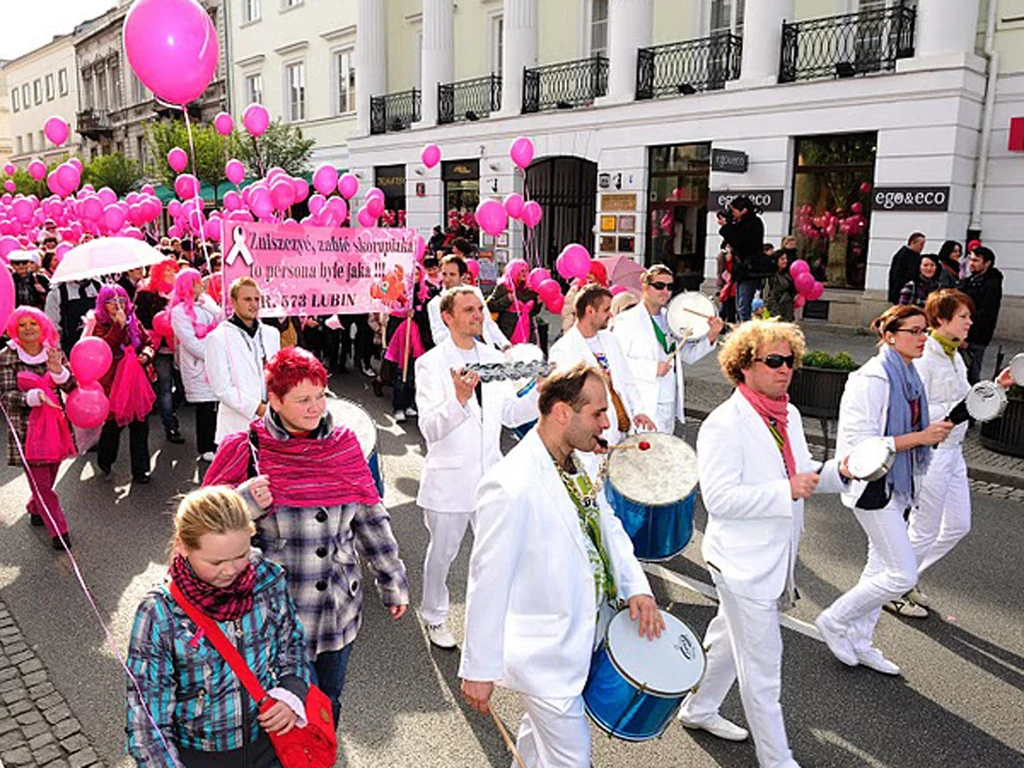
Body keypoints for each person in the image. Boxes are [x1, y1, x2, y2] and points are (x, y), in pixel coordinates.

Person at [459, 362, 663, 767]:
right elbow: (488, 582)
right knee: (573, 759)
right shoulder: (509, 484)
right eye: (598, 413)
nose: (607, 423)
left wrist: (636, 585)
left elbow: (608, 527)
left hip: (580, 639)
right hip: (544, 655)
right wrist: (478, 668)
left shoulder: (578, 461)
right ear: (562, 413)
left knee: (535, 749)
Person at [203, 347, 410, 722]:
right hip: (273, 619)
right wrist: (244, 501)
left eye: (320, 396)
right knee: (282, 714)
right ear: (276, 401)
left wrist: (392, 579)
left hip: (337, 613)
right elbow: (200, 526)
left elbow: (370, 519)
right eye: (302, 399)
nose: (315, 408)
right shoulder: (246, 450)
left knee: (327, 705)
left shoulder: (345, 444)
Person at [678, 318, 851, 766]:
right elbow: (719, 499)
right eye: (773, 360)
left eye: (790, 360)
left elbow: (802, 470)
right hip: (741, 564)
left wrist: (843, 472)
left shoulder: (787, 412)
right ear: (743, 366)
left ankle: (698, 709)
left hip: (773, 556)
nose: (785, 368)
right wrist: (786, 491)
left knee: (729, 640)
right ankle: (777, 759)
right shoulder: (723, 424)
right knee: (762, 668)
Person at [125, 486, 312, 765]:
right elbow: (147, 718)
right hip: (200, 758)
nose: (230, 570)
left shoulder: (267, 578)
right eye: (215, 561)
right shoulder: (159, 613)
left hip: (270, 748)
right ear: (182, 547)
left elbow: (292, 643)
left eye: (240, 555)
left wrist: (291, 692)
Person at [816, 306, 954, 674]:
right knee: (902, 575)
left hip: (899, 483)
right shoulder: (873, 378)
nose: (923, 337)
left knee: (878, 568)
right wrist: (920, 438)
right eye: (915, 331)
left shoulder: (909, 375)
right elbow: (862, 443)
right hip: (873, 483)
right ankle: (834, 619)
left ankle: (861, 642)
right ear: (890, 335)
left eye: (925, 331)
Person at [415, 286, 538, 649]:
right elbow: (430, 429)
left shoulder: (494, 358)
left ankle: (488, 622)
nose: (477, 315)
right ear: (448, 317)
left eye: (479, 309)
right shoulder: (430, 364)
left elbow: (511, 415)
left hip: (491, 477)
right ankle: (435, 615)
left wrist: (538, 393)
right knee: (442, 554)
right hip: (449, 480)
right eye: (468, 309)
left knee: (493, 554)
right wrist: (459, 399)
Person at [0, 307, 77, 550]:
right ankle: (59, 530)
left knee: (49, 477)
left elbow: (72, 387)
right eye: (22, 325)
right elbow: (5, 395)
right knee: (41, 481)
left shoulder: (53, 351)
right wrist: (31, 397)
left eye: (32, 323)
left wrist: (58, 371)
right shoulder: (7, 355)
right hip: (25, 429)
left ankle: (35, 507)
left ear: (42, 325)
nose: (28, 328)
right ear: (15, 329)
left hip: (55, 426)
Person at [613, 264, 723, 434]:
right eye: (659, 285)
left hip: (668, 400)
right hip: (643, 401)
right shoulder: (626, 321)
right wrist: (651, 368)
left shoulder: (671, 319)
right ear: (645, 286)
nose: (665, 291)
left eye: (670, 287)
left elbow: (687, 355)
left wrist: (711, 335)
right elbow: (617, 363)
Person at [549, 284, 655, 448]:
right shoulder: (563, 350)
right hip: (592, 441)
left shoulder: (610, 339)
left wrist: (638, 411)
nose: (611, 314)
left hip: (621, 430)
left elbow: (627, 380)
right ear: (590, 311)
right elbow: (567, 402)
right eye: (606, 310)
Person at [91, 285, 155, 484]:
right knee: (114, 424)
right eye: (111, 302)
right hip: (113, 380)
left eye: (121, 300)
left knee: (140, 423)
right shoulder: (99, 324)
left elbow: (148, 342)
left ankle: (141, 470)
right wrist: (118, 327)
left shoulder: (133, 320)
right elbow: (104, 348)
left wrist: (146, 354)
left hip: (137, 379)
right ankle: (105, 459)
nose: (117, 305)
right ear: (103, 304)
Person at [205, 277, 281, 446]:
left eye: (256, 299)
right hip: (236, 427)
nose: (253, 304)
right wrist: (258, 408)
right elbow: (222, 388)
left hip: (272, 427)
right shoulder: (217, 338)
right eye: (247, 299)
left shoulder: (271, 333)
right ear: (233, 302)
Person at [170, 268, 223, 461]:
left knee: (217, 404)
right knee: (205, 406)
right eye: (197, 282)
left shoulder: (207, 302)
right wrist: (212, 353)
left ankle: (218, 442)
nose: (202, 284)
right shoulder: (178, 312)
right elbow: (189, 340)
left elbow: (221, 320)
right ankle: (205, 446)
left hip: (215, 360)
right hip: (198, 364)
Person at [135, 259, 185, 444]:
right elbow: (140, 322)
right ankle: (170, 426)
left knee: (183, 388)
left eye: (174, 271)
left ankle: (168, 410)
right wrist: (158, 328)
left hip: (181, 347)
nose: (171, 274)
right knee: (165, 388)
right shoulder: (146, 295)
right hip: (159, 350)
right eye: (166, 271)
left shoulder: (182, 294)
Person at [427, 255, 508, 349]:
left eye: (452, 274)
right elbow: (438, 337)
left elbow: (488, 323)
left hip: (485, 350)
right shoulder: (435, 303)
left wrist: (504, 344)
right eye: (444, 274)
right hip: (457, 355)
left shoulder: (475, 292)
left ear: (462, 276)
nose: (447, 279)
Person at [717, 196, 768, 322]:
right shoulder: (741, 224)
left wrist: (727, 227)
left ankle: (747, 334)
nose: (732, 213)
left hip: (749, 270)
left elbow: (739, 242)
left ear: (743, 210)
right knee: (739, 306)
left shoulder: (752, 224)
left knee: (744, 307)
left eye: (734, 210)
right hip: (741, 271)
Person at [958, 245, 1003, 383]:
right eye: (971, 260)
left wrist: (967, 337)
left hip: (976, 336)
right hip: (964, 333)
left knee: (972, 372)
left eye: (976, 260)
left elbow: (986, 313)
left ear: (987, 263)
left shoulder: (991, 284)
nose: (972, 263)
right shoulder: (971, 280)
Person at [487, 259, 541, 344]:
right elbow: (490, 306)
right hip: (508, 331)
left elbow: (533, 312)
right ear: (514, 271)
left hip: (526, 332)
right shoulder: (503, 287)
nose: (524, 273)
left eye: (526, 271)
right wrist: (507, 299)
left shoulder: (530, 289)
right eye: (522, 271)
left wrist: (538, 303)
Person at [45, 277, 101, 356]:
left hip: (98, 347)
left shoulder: (99, 287)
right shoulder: (57, 293)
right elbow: (52, 326)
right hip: (69, 348)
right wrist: (58, 351)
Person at [886, 232, 926, 305]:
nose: (922, 247)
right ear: (912, 242)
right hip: (903, 293)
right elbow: (897, 276)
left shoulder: (915, 255)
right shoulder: (903, 255)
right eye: (921, 244)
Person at [762, 246, 797, 321]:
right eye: (782, 259)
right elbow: (768, 297)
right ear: (775, 260)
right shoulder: (770, 276)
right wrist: (777, 316)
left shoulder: (787, 275)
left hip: (787, 311)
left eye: (786, 258)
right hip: (775, 314)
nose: (785, 261)